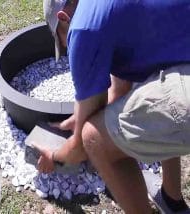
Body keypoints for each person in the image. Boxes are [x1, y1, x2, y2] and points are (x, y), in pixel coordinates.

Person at [33, 0, 190, 213]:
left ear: (63, 17)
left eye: (61, 38)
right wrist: (82, 114)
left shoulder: (82, 28)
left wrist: (54, 156)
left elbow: (81, 146)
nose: (65, 45)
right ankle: (171, 199)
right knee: (151, 90)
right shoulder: (109, 9)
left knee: (93, 138)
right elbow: (120, 88)